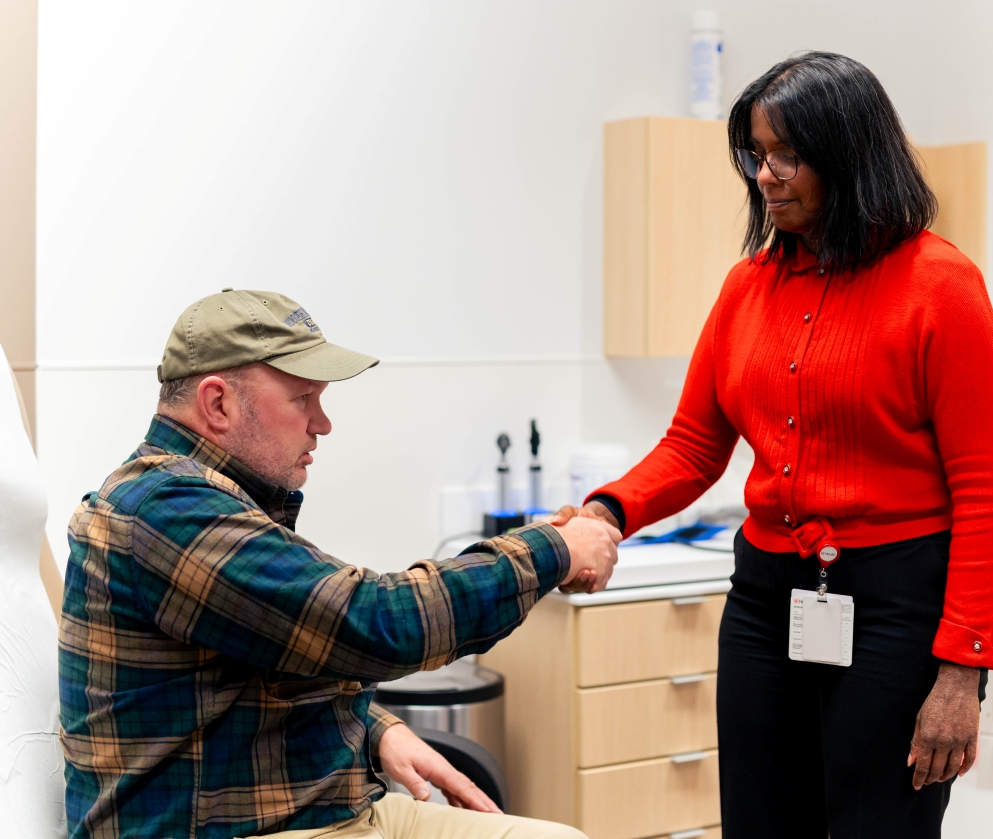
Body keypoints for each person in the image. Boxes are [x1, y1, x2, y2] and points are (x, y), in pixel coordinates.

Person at [574, 53, 993, 838]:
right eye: (755, 154)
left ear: (850, 156)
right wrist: (606, 513)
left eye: (787, 155)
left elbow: (985, 491)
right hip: (765, 600)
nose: (765, 176)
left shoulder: (940, 285)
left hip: (894, 608)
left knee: (877, 826)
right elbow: (691, 445)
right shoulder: (747, 287)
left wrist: (963, 671)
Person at [59, 289, 619, 839]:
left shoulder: (210, 501)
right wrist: (555, 549)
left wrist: (375, 729)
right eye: (303, 399)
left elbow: (263, 660)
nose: (322, 424)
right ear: (218, 403)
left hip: (324, 812)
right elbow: (377, 621)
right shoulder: (168, 513)